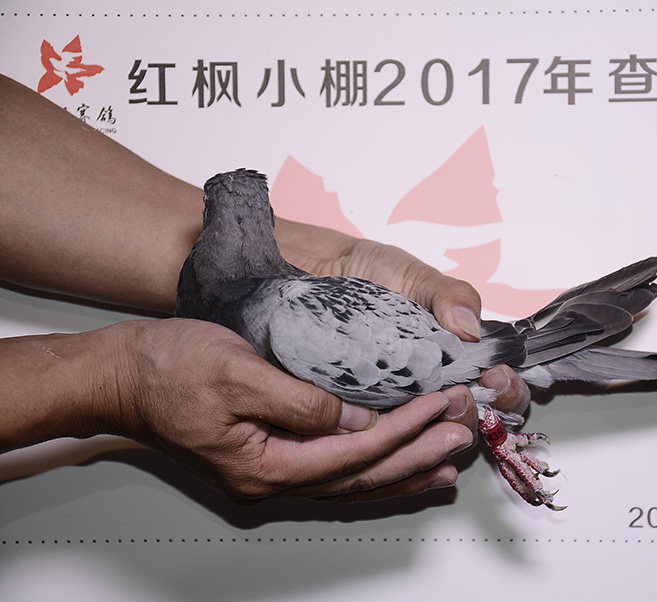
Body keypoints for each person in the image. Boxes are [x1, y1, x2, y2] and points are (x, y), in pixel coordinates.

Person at [0, 73, 531, 503]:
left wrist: (335, 264)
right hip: (315, 314)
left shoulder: (296, 320)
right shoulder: (291, 318)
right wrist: (118, 382)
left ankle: (499, 394)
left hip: (400, 343)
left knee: (466, 386)